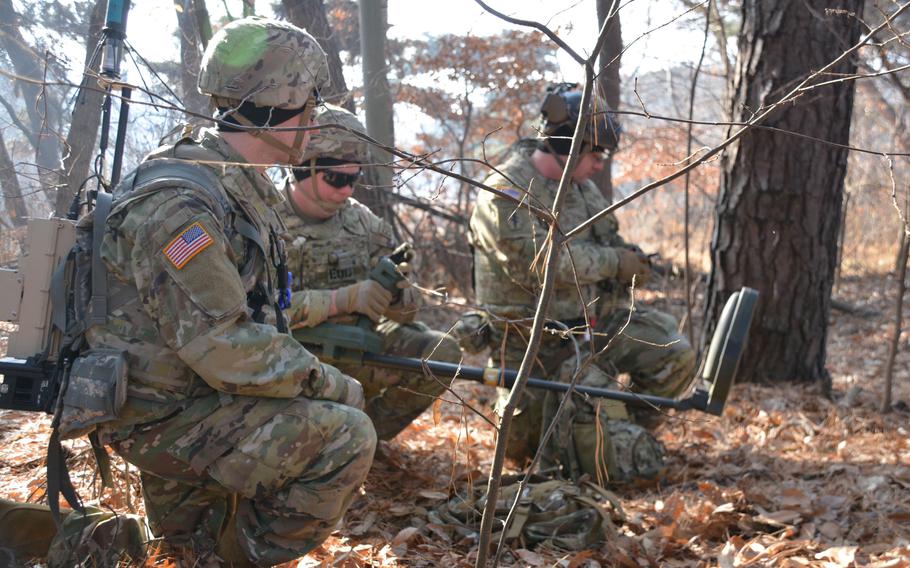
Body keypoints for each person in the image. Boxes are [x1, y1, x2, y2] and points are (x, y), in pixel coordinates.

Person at [44, 17, 376, 567]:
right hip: (163, 413)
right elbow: (224, 347)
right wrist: (328, 382)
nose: (315, 124)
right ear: (274, 105)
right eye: (309, 108)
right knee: (347, 436)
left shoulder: (230, 182)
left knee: (183, 545)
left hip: (182, 395)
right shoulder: (181, 204)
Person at [467, 83, 696, 485]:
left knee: (672, 351)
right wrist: (614, 263)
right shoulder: (503, 193)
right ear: (566, 148)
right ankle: (592, 437)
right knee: (545, 449)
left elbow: (608, 243)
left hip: (592, 326)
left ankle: (623, 433)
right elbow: (542, 263)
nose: (600, 165)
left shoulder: (583, 190)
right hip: (534, 348)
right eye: (596, 154)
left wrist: (633, 261)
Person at [279, 103, 461, 440]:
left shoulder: (366, 225)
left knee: (442, 353)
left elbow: (406, 312)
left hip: (357, 350)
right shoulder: (264, 221)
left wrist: (395, 295)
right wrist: (340, 300)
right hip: (288, 361)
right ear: (303, 166)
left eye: (355, 178)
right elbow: (246, 314)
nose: (347, 190)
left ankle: (366, 440)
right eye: (336, 179)